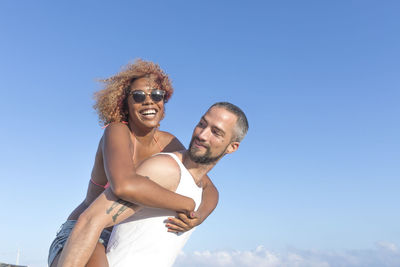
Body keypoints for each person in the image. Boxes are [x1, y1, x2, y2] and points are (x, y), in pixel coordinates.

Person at [48, 60, 219, 267]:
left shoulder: (169, 143)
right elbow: (123, 185)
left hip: (118, 237)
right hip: (83, 232)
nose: (149, 101)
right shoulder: (118, 131)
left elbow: (207, 186)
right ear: (125, 104)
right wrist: (186, 203)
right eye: (139, 96)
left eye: (157, 95)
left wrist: (198, 215)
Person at [57, 102, 249, 267]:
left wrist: (198, 214)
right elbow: (91, 219)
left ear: (232, 147)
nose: (202, 135)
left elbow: (211, 192)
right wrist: (187, 204)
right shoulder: (165, 169)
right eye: (201, 124)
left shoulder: (200, 187)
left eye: (216, 132)